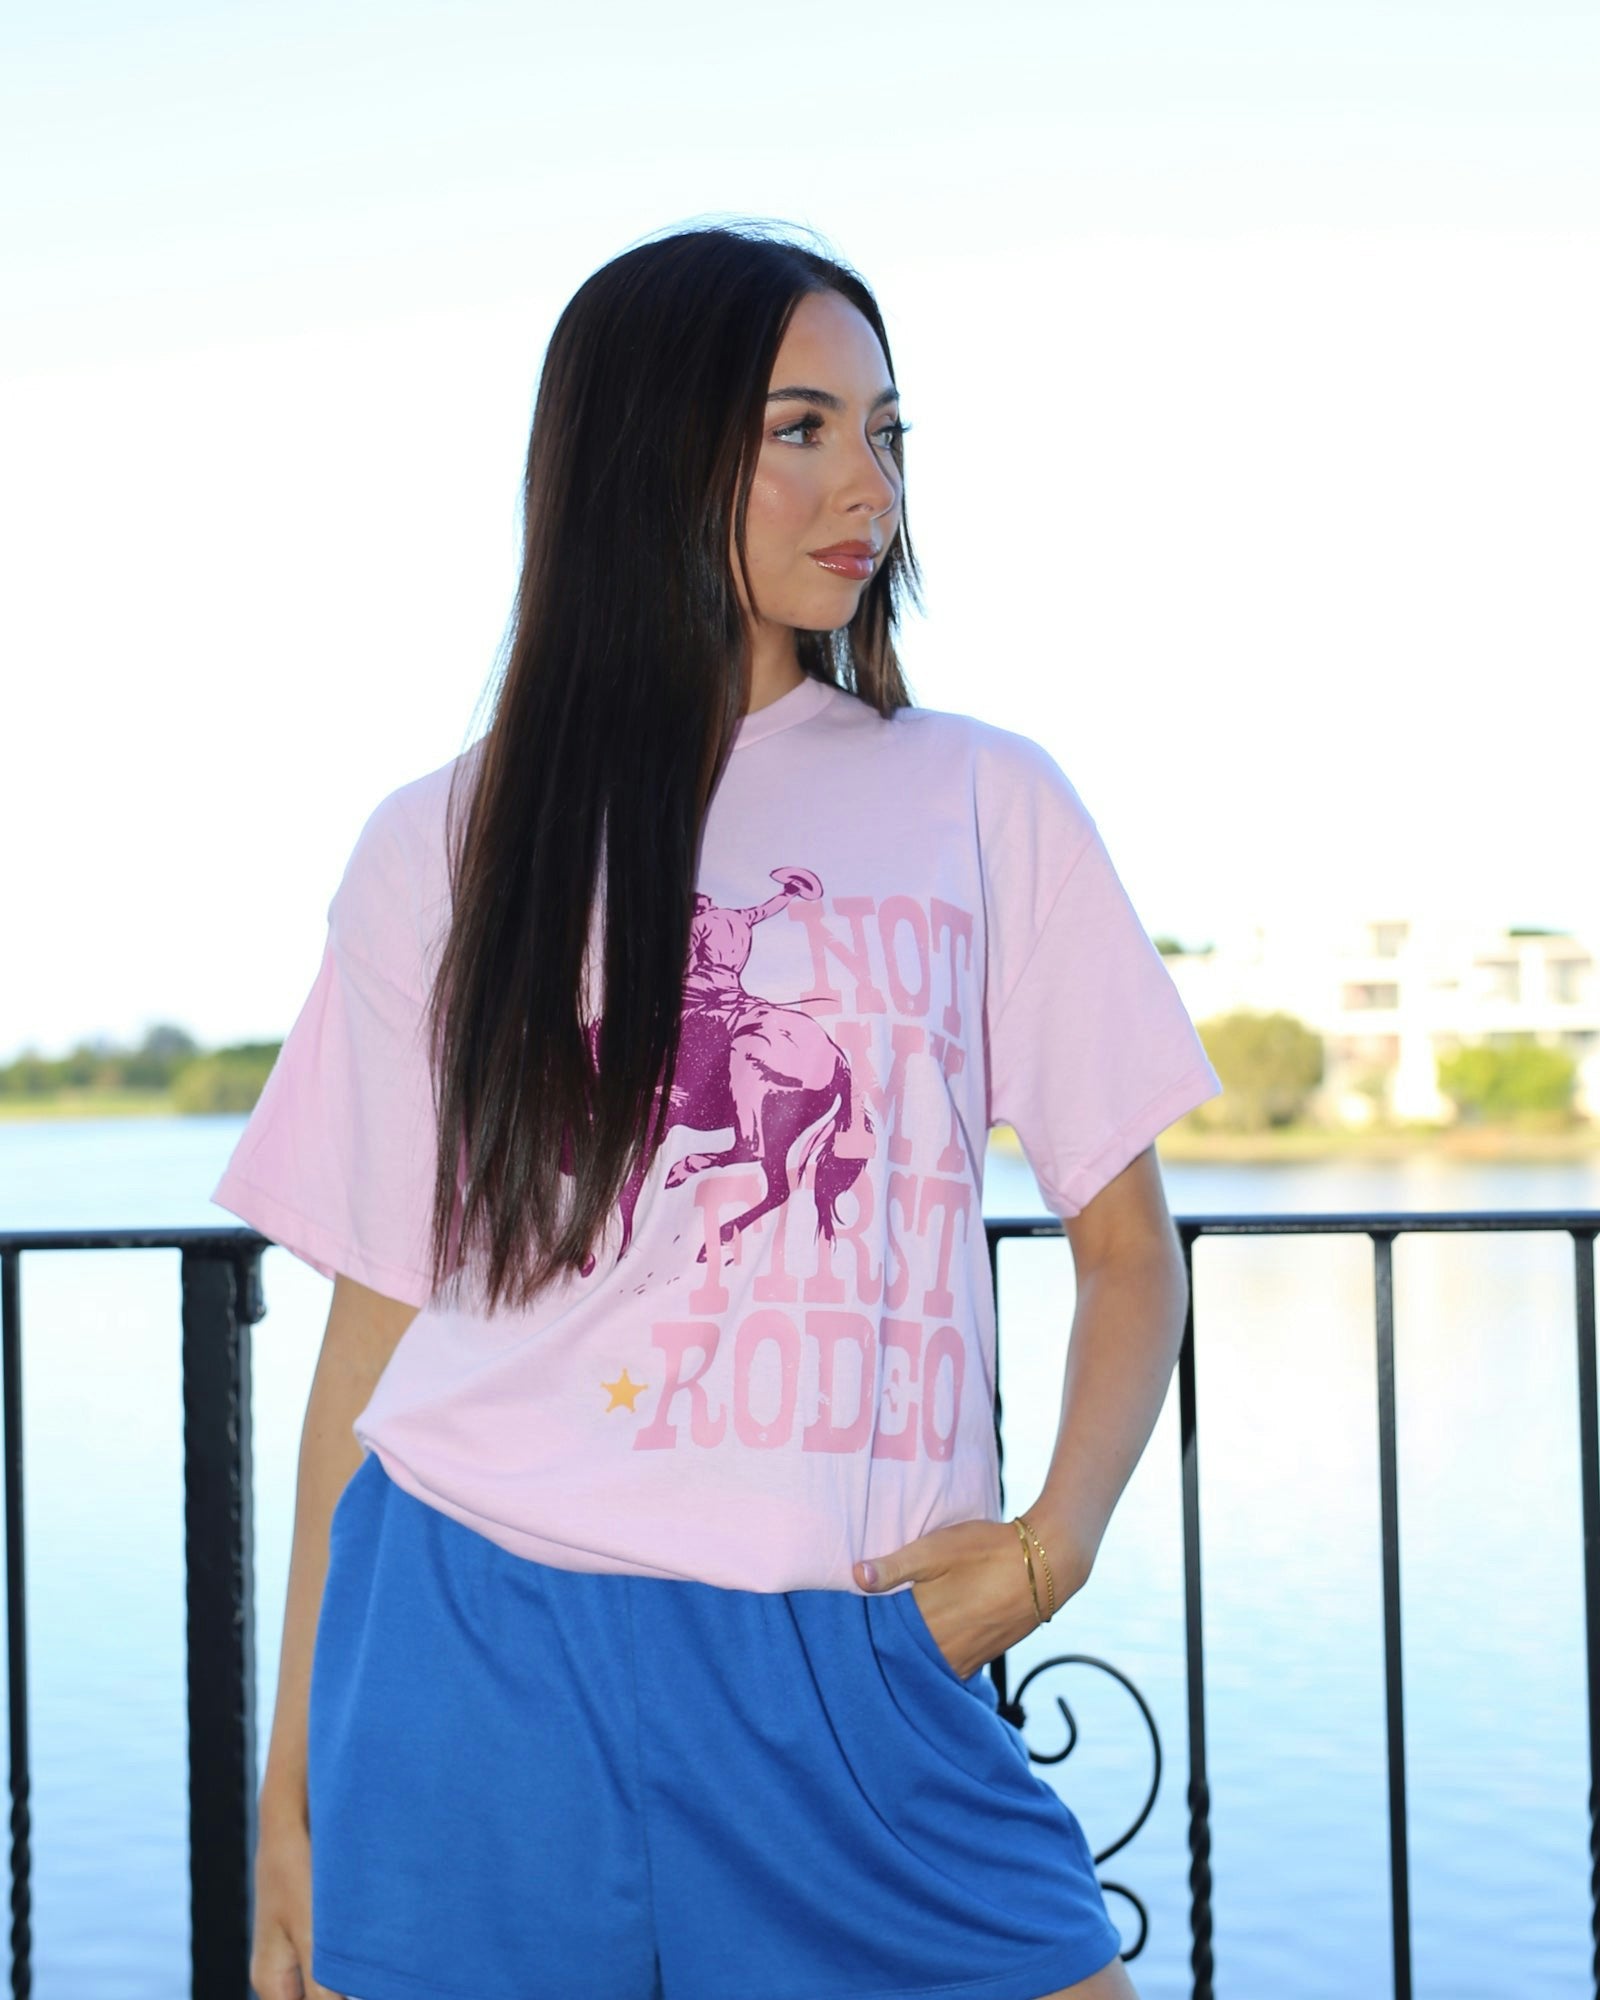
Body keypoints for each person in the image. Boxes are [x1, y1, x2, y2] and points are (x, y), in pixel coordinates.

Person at [217, 219, 1222, 2000]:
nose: (870, 488)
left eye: (885, 432)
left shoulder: (983, 799)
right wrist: (287, 1792)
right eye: (799, 430)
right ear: (645, 455)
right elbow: (374, 1331)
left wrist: (1051, 1549)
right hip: (474, 1646)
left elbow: (1130, 1254)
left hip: (856, 1666)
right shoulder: (444, 840)